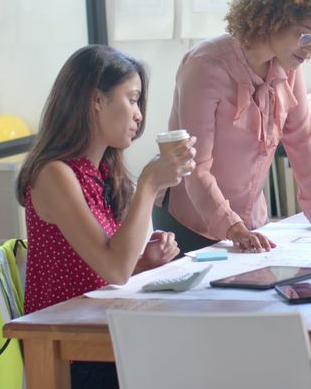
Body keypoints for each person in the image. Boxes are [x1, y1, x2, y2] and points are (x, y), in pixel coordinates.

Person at [153, 0, 311, 254]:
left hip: (250, 220)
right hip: (190, 223)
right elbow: (194, 167)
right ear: (273, 17)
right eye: (305, 36)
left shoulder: (289, 66)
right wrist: (232, 227)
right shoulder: (205, 66)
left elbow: (301, 139)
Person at [16, 45, 195, 388]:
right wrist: (149, 183)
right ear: (97, 100)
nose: (139, 114)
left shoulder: (99, 172)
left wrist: (144, 261)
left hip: (97, 329)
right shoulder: (55, 175)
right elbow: (113, 269)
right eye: (131, 99)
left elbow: (109, 267)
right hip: (68, 345)